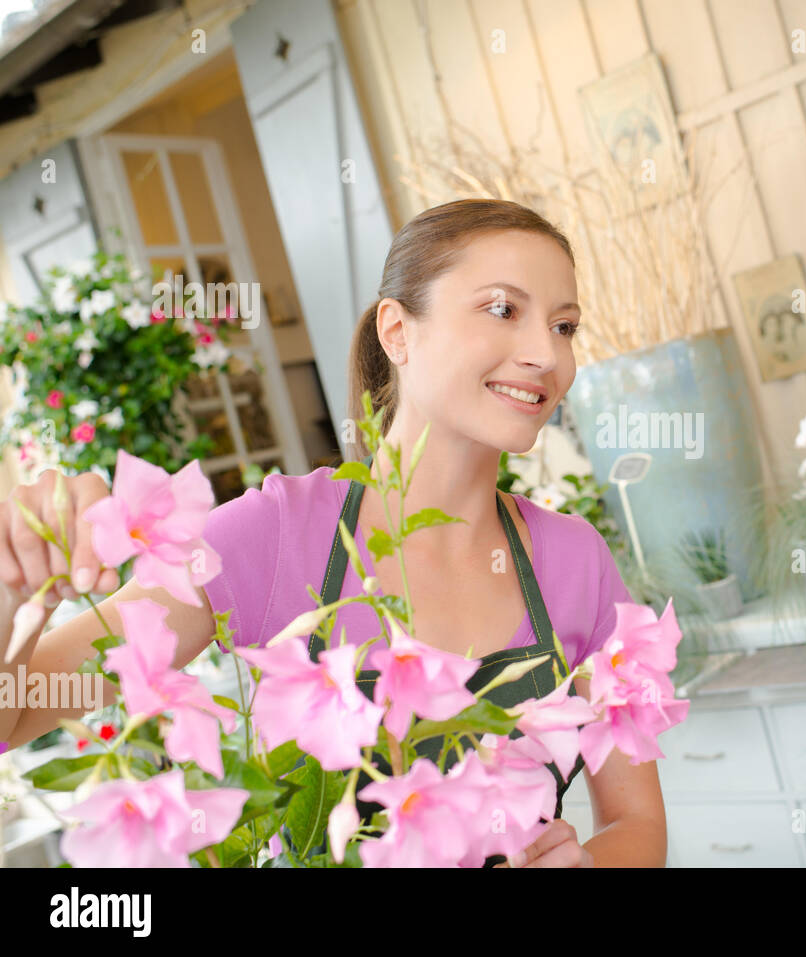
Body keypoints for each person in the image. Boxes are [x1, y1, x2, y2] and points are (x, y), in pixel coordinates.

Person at [0, 198, 667, 868]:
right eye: (503, 309)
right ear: (397, 331)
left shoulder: (575, 561)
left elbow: (638, 824)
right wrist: (11, 591)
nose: (546, 354)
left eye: (565, 326)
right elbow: (17, 713)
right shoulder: (270, 536)